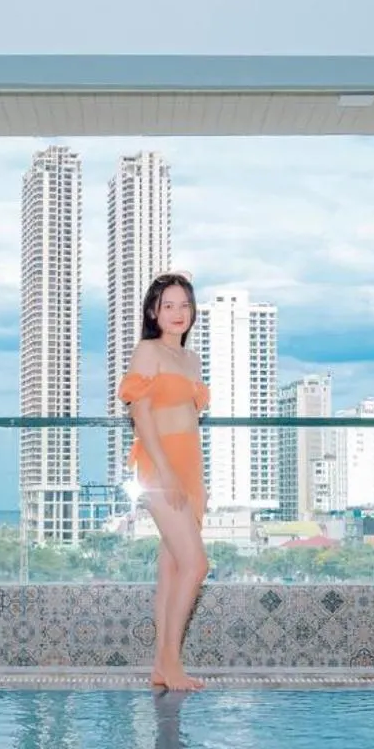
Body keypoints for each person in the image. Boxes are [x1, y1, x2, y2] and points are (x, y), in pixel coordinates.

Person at [118, 273, 211, 692]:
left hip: (190, 466)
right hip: (159, 466)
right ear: (153, 311)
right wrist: (167, 471)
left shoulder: (191, 360)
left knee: (174, 567)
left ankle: (162, 665)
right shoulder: (147, 351)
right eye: (168, 305)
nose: (177, 313)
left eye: (184, 305)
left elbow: (190, 422)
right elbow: (142, 415)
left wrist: (192, 478)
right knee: (197, 564)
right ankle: (172, 664)